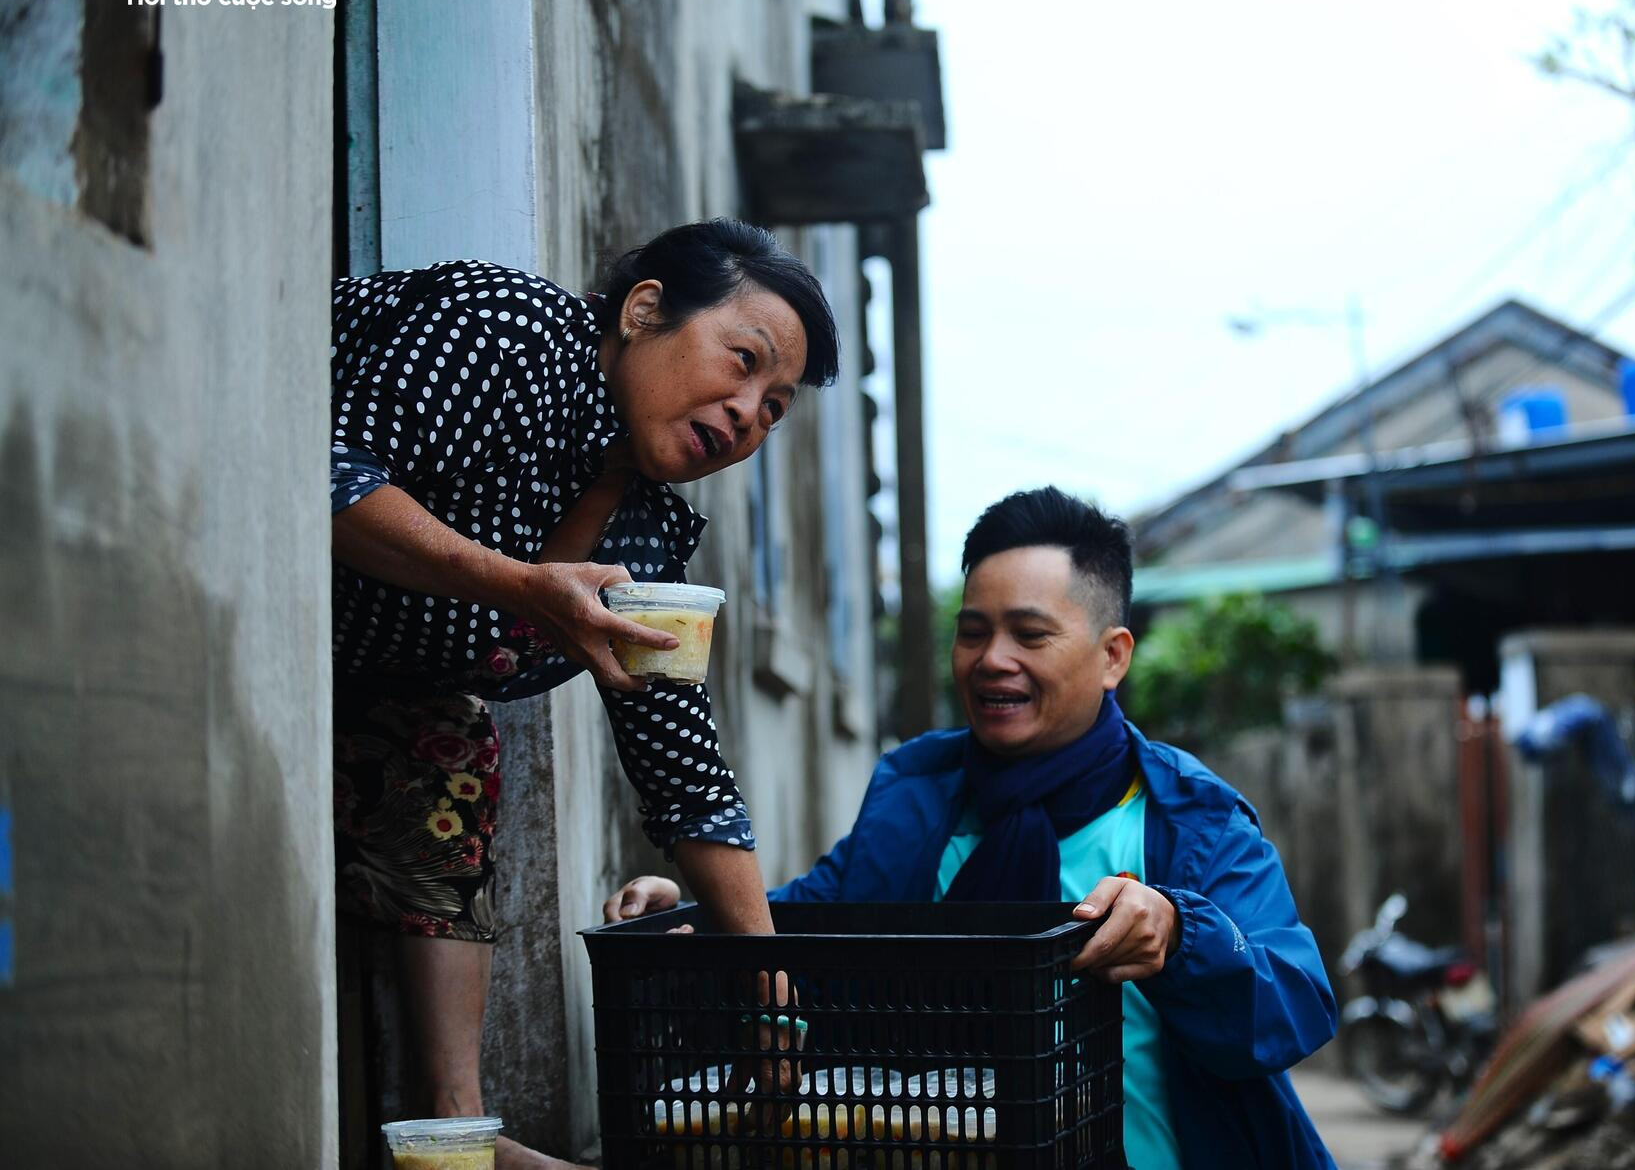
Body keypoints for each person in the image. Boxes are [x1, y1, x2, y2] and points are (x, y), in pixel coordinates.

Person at [606, 487, 1339, 1168]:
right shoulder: (915, 793)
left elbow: (1295, 1003)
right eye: (973, 632)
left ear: (1113, 656)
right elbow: (803, 934)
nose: (992, 661)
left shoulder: (1191, 819)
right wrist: (699, 918)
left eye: (1030, 634)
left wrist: (1180, 934)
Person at [332, 218, 837, 1170]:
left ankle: (455, 1132)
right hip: (251, 591)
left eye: (774, 408)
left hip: (375, 687)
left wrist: (772, 995)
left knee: (448, 744)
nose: (747, 414)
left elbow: (685, 776)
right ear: (643, 310)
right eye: (742, 362)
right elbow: (324, 475)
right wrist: (520, 583)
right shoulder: (504, 327)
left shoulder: (644, 536)